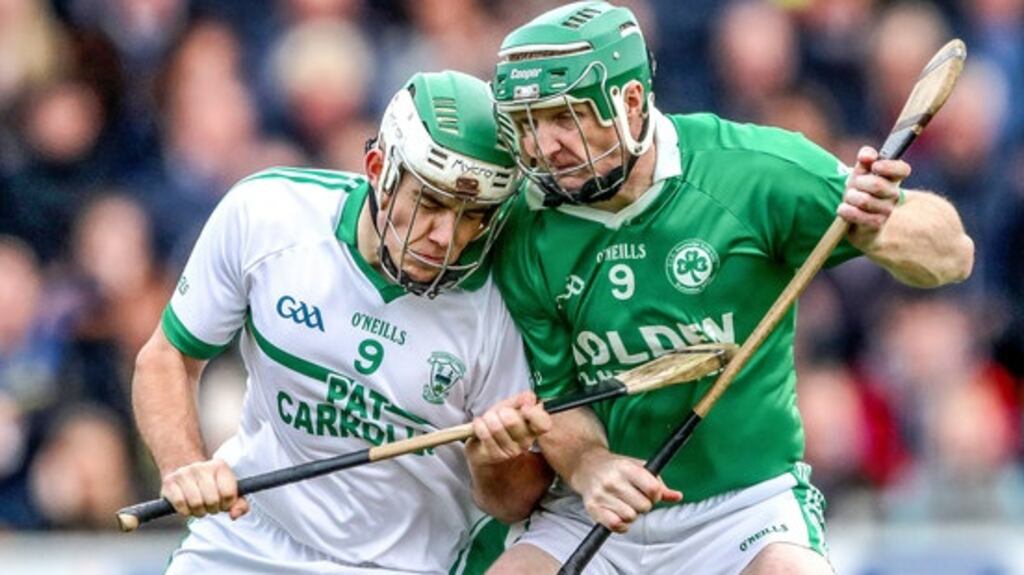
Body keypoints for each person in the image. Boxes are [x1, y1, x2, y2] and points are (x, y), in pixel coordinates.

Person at [485, 2, 974, 574]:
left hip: (745, 505)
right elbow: (559, 400)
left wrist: (879, 226)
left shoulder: (750, 172)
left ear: (631, 102)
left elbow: (952, 256)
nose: (545, 147)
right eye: (527, 124)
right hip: (591, 505)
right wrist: (591, 465)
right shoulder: (524, 225)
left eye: (563, 118)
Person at [132, 70, 554, 575]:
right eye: (433, 202)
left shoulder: (500, 299)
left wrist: (495, 458)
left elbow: (513, 503)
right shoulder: (267, 215)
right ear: (377, 167)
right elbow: (168, 358)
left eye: (474, 215)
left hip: (402, 566)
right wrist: (185, 466)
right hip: (247, 537)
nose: (448, 236)